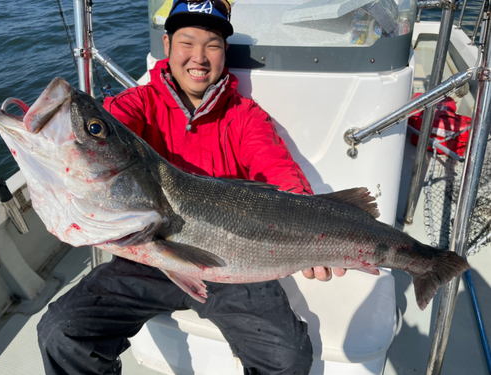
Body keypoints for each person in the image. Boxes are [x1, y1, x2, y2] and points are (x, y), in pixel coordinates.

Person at [37, 0, 347, 373]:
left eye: (212, 45)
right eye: (187, 42)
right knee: (60, 331)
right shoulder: (135, 105)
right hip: (148, 252)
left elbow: (280, 173)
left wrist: (315, 231)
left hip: (232, 260)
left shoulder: (245, 116)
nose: (198, 57)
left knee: (288, 357)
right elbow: (102, 148)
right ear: (167, 46)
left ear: (224, 53)